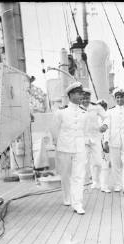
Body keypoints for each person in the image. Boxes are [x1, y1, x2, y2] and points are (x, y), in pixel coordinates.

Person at [51, 82, 87, 215]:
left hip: (80, 148)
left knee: (79, 175)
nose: (81, 96)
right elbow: (54, 130)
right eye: (78, 93)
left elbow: (86, 130)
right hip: (64, 147)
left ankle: (77, 203)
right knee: (65, 174)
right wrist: (57, 144)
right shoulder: (61, 113)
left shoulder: (84, 112)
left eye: (81, 93)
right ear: (71, 95)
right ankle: (67, 197)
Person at [103, 88, 124, 194]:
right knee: (115, 164)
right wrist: (105, 141)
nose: (120, 99)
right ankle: (117, 185)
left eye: (121, 97)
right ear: (115, 99)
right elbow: (107, 127)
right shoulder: (110, 112)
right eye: (118, 97)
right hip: (113, 140)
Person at [80, 88, 109, 192]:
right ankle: (83, 185)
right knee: (82, 163)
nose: (85, 101)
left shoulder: (96, 107)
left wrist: (105, 125)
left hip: (95, 138)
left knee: (99, 162)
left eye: (87, 98)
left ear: (90, 97)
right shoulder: (77, 108)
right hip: (82, 139)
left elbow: (107, 117)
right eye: (83, 98)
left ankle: (103, 185)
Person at [98, 99, 112, 193]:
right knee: (99, 165)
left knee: (105, 165)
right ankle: (100, 184)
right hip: (96, 144)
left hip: (106, 143)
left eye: (103, 107)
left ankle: (104, 185)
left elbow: (107, 131)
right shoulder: (95, 118)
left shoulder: (108, 118)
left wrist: (106, 143)